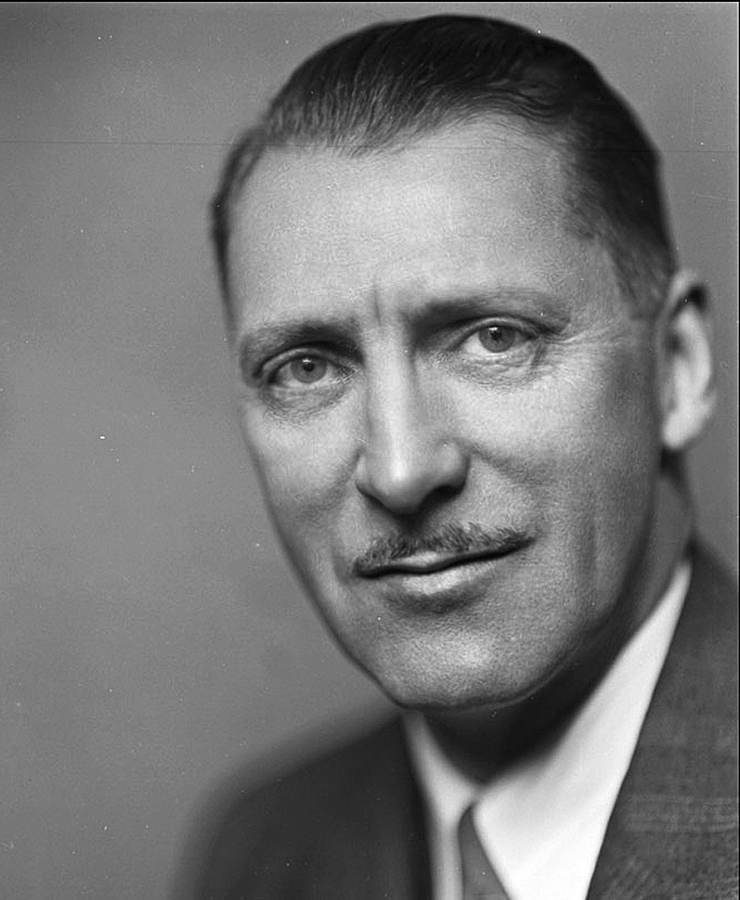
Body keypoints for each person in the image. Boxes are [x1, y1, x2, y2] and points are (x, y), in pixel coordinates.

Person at [183, 14, 738, 900]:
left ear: (678, 370)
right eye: (307, 368)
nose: (401, 470)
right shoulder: (261, 852)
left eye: (493, 339)